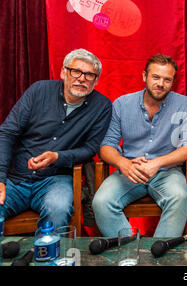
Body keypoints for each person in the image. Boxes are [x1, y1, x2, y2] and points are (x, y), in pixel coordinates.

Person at [0, 48, 112, 229]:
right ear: (63, 72)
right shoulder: (39, 91)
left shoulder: (102, 106)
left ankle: (48, 257)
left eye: (89, 75)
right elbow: (7, 132)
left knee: (58, 209)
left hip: (57, 178)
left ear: (96, 80)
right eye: (76, 71)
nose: (82, 78)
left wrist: (57, 157)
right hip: (16, 177)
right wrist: (0, 177)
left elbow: (91, 148)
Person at [92, 54, 187, 238]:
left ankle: (158, 255)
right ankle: (131, 252)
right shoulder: (122, 104)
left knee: (179, 197)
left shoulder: (184, 104)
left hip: (167, 172)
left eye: (167, 79)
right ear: (144, 76)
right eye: (156, 77)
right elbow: (106, 146)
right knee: (101, 201)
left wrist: (156, 163)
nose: (161, 83)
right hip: (130, 171)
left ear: (173, 81)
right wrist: (123, 163)